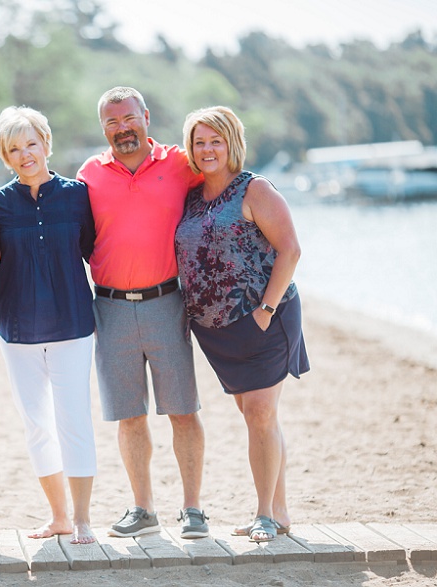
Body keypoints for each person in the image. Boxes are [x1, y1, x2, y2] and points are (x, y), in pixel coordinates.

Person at [77, 86, 209, 539]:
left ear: (146, 117)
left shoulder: (179, 164)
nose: (122, 128)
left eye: (129, 118)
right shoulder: (89, 174)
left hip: (167, 304)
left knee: (183, 411)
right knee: (128, 415)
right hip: (109, 308)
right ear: (103, 128)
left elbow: (220, 194)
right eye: (112, 122)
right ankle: (143, 509)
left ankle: (193, 508)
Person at [175, 105, 309, 542]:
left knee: (261, 412)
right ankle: (281, 511)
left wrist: (265, 312)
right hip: (217, 332)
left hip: (264, 319)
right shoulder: (193, 196)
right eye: (199, 141)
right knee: (256, 416)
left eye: (216, 140)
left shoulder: (255, 189)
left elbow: (290, 250)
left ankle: (266, 514)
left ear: (232, 143)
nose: (207, 149)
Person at [0, 106, 97, 545]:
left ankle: (83, 517)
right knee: (37, 424)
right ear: (6, 156)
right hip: (17, 331)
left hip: (73, 325)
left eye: (31, 143)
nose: (25, 153)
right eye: (15, 148)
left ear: (46, 143)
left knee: (75, 420)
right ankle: (59, 516)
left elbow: (92, 250)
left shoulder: (77, 195)